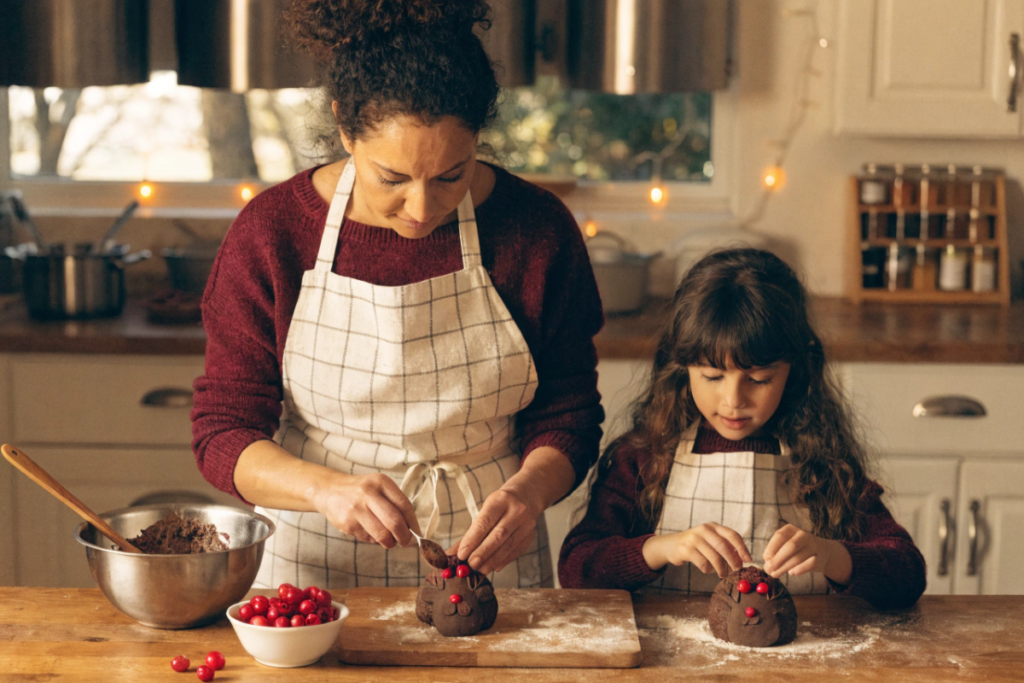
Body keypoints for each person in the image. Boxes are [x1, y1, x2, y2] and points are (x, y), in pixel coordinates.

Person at [191, 0, 604, 590]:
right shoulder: (273, 231)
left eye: (451, 175)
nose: (422, 208)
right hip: (315, 563)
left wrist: (530, 493)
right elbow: (224, 431)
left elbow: (568, 412)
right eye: (392, 178)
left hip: (490, 557)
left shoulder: (536, 230)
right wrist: (324, 489)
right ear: (344, 126)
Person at [559, 249, 926, 609]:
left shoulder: (823, 461)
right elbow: (577, 568)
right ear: (681, 365)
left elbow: (907, 573)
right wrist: (660, 548)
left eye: (759, 379)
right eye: (712, 376)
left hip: (803, 650)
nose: (733, 400)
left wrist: (833, 556)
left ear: (796, 369)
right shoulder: (645, 457)